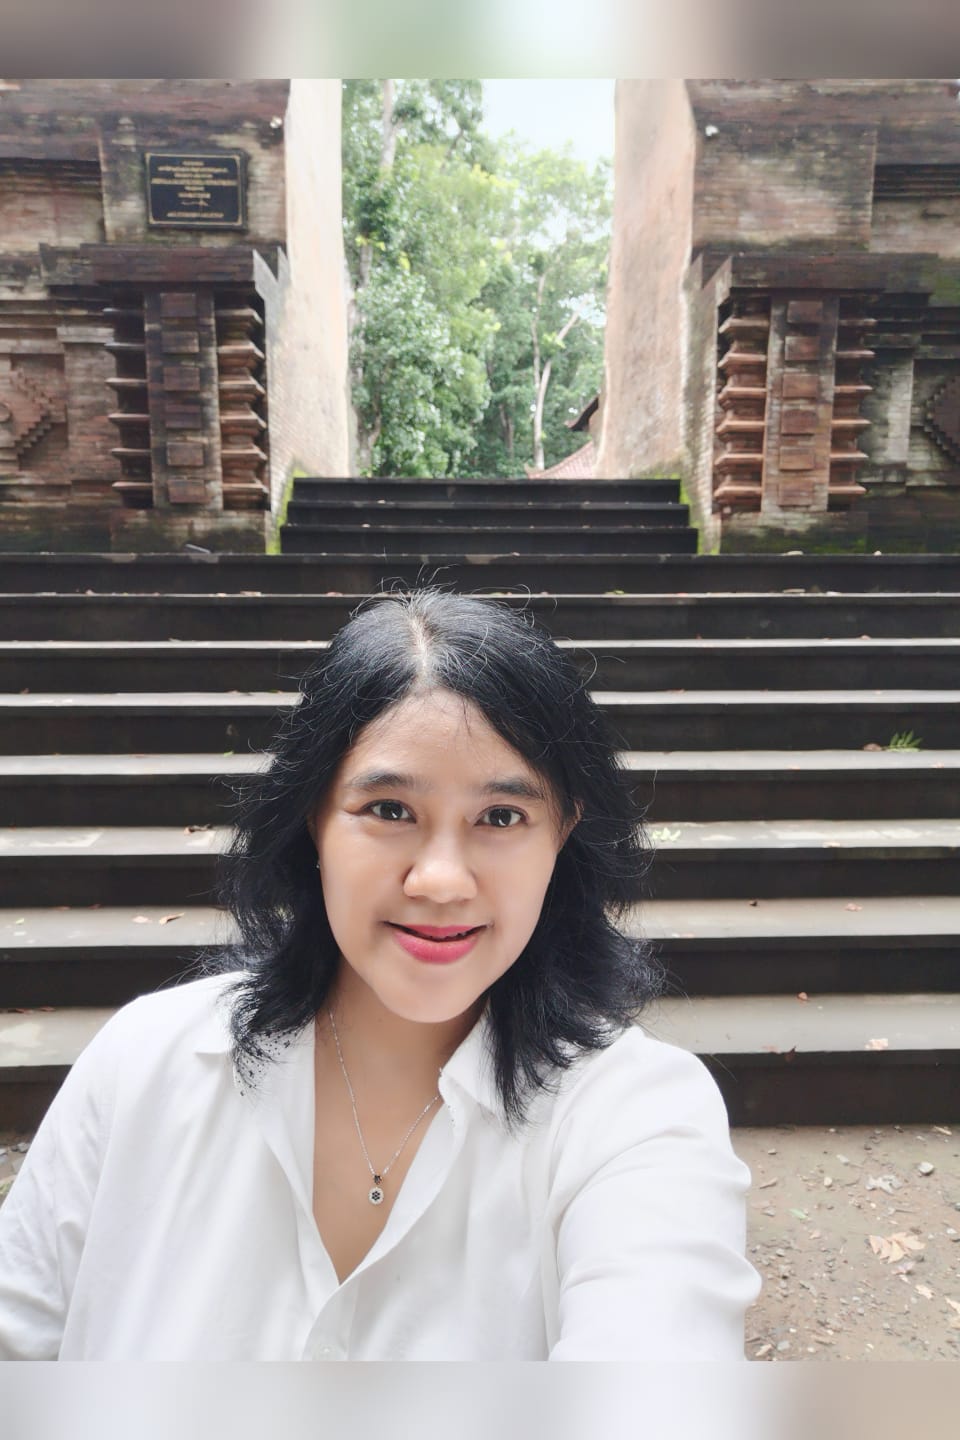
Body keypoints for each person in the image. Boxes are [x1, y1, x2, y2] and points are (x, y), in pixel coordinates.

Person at [0, 588, 759, 1359]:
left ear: (562, 833)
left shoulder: (635, 1117)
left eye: (501, 817)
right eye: (390, 810)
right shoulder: (143, 1063)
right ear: (313, 816)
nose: (441, 880)